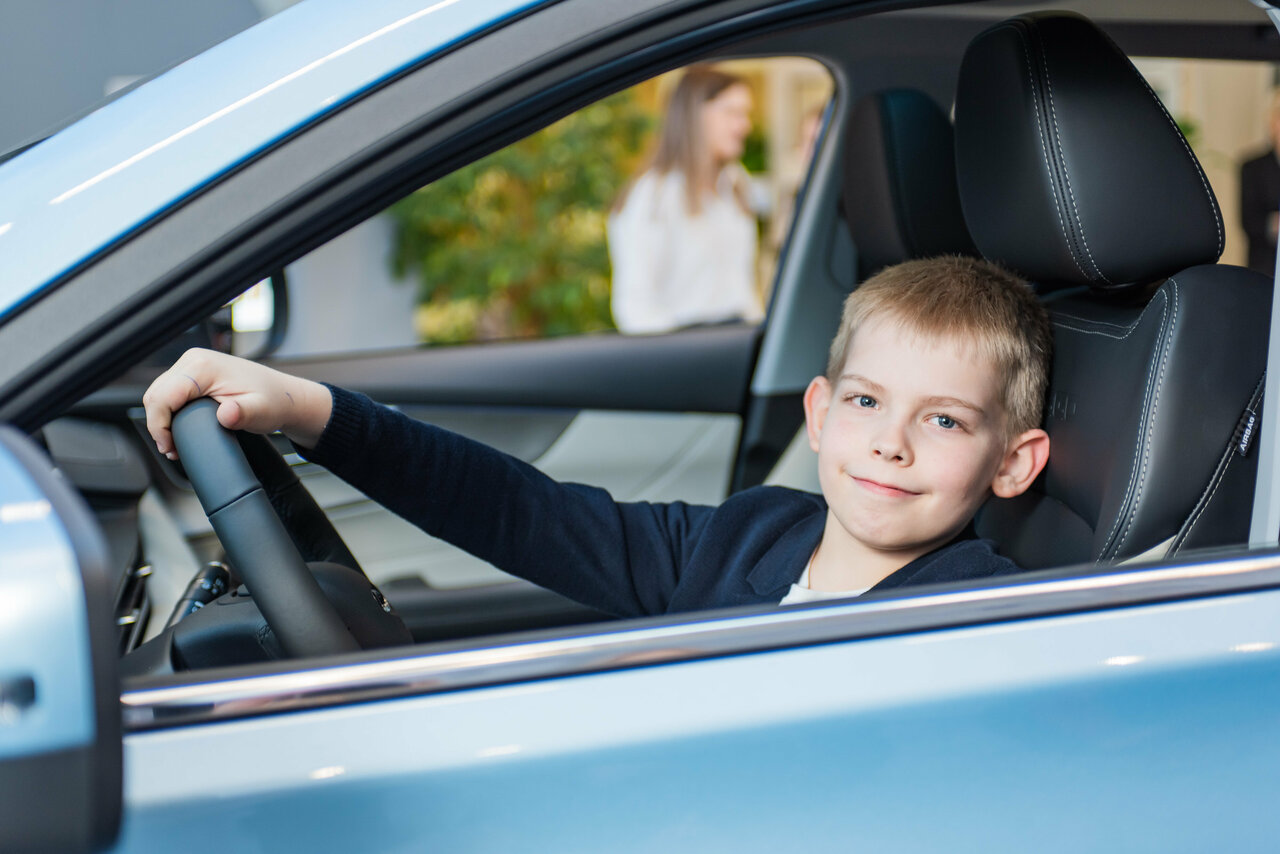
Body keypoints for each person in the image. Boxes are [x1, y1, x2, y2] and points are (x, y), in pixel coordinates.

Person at [143, 255, 1051, 615]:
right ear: (819, 414)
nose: (891, 443)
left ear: (1013, 464)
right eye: (866, 403)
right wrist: (309, 411)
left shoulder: (989, 613)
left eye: (943, 420)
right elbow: (518, 512)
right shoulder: (748, 536)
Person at [608, 65, 765, 334]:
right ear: (695, 116)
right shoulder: (653, 196)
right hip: (687, 341)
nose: (745, 126)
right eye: (732, 113)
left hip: (740, 338)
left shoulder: (735, 183)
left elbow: (744, 285)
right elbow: (635, 306)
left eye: (745, 114)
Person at [1241, 91, 1280, 277]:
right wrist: (1274, 223)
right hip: (1265, 267)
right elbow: (1249, 221)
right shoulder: (1253, 166)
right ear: (1272, 123)